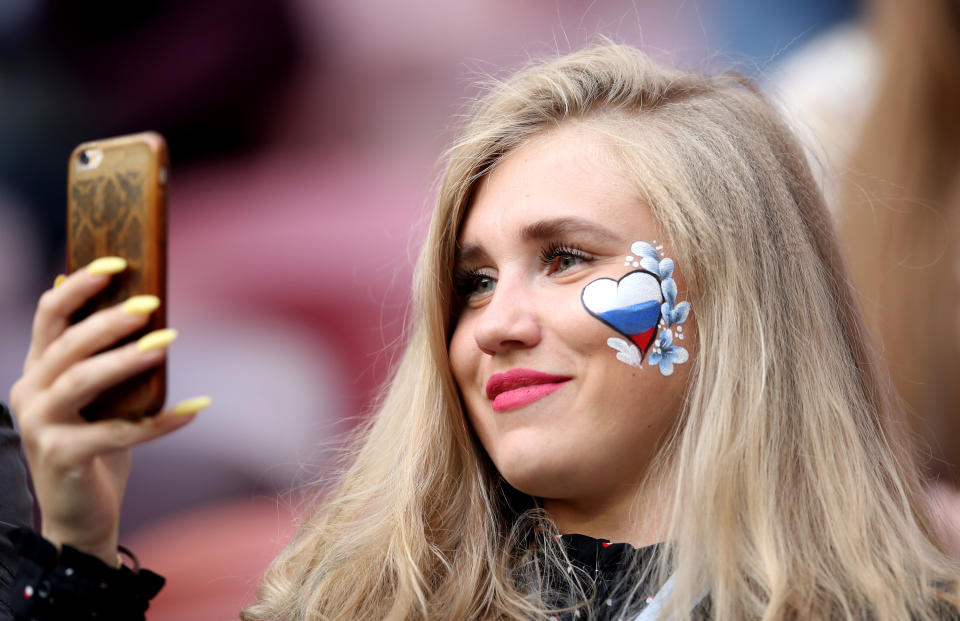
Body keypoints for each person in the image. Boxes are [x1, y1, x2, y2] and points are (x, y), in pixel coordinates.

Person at [6, 43, 960, 621]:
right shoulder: (353, 604)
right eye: (471, 281)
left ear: (733, 293)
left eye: (568, 258)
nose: (494, 327)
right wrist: (78, 549)